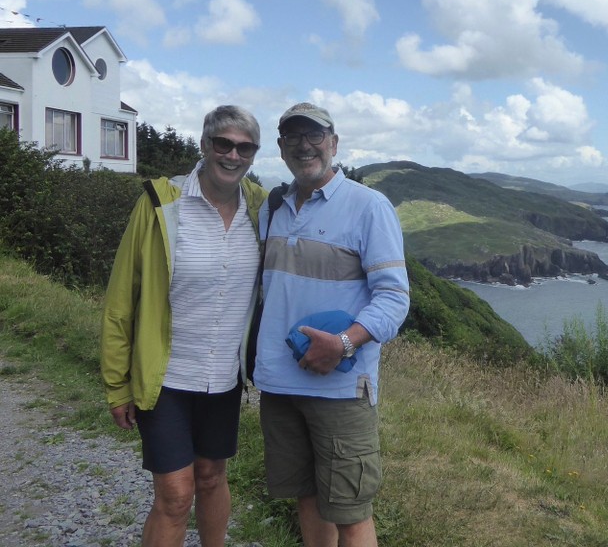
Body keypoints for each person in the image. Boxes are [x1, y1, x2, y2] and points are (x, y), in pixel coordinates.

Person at [100, 105, 268, 547]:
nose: (233, 155)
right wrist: (117, 383)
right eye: (223, 144)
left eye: (244, 147)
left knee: (212, 477)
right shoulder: (161, 203)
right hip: (166, 377)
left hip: (224, 378)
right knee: (175, 496)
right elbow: (122, 299)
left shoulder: (260, 206)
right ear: (204, 144)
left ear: (254, 153)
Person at [254, 102, 409, 547]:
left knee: (351, 513)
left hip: (340, 390)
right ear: (282, 148)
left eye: (315, 136)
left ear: (334, 143)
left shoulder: (368, 206)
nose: (305, 146)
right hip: (280, 386)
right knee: (307, 499)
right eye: (293, 137)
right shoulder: (274, 207)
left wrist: (343, 343)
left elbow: (395, 297)